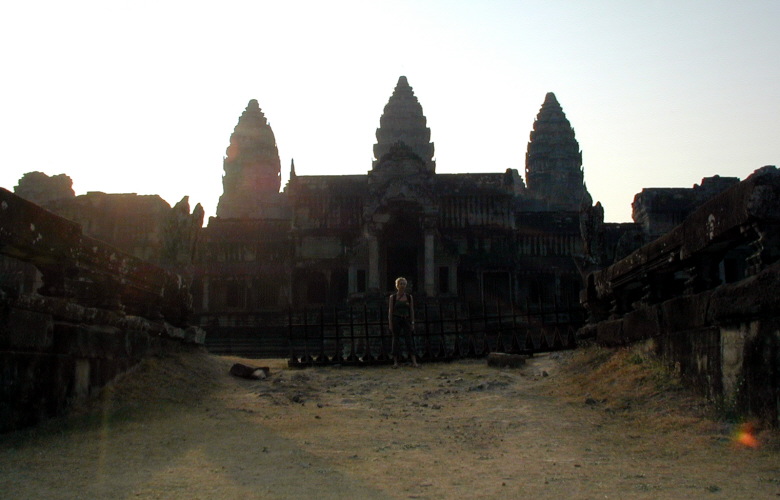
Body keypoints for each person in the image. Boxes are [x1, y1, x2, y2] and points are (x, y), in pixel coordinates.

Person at [388, 277, 418, 368]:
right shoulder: (393, 297)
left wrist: (412, 322)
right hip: (396, 319)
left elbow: (411, 310)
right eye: (401, 284)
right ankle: (395, 362)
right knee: (395, 340)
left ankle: (414, 361)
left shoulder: (409, 297)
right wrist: (390, 323)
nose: (402, 285)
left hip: (406, 319)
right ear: (397, 285)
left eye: (404, 284)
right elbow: (390, 311)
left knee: (409, 339)